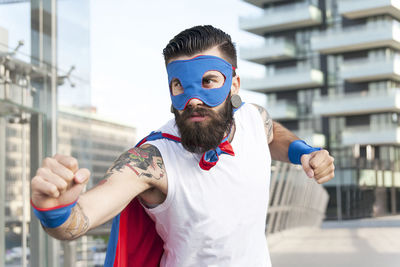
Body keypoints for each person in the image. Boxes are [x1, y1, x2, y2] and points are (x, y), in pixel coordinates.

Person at [30, 25, 335, 267]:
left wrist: (303, 152)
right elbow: (78, 220)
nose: (193, 101)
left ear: (234, 85)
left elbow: (272, 133)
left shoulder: (253, 117)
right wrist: (54, 209)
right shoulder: (151, 160)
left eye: (209, 82)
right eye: (180, 85)